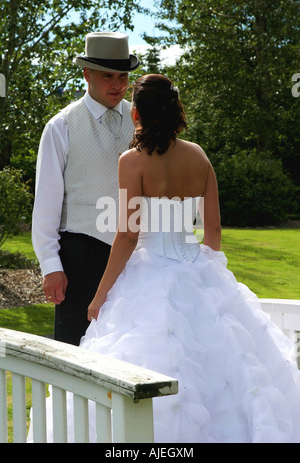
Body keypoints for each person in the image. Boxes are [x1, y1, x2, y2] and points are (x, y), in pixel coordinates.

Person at [37, 74, 300, 443]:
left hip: (151, 272)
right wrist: (207, 274)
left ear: (137, 114)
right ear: (176, 110)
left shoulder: (132, 161)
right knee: (227, 369)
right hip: (198, 266)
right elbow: (214, 232)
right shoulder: (199, 156)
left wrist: (100, 296)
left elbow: (128, 235)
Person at [32, 32, 140, 345]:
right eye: (108, 76)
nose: (118, 85)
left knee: (128, 350)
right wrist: (51, 266)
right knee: (75, 350)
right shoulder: (62, 125)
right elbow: (47, 204)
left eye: (123, 77)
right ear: (86, 74)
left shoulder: (141, 121)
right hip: (79, 255)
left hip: (134, 257)